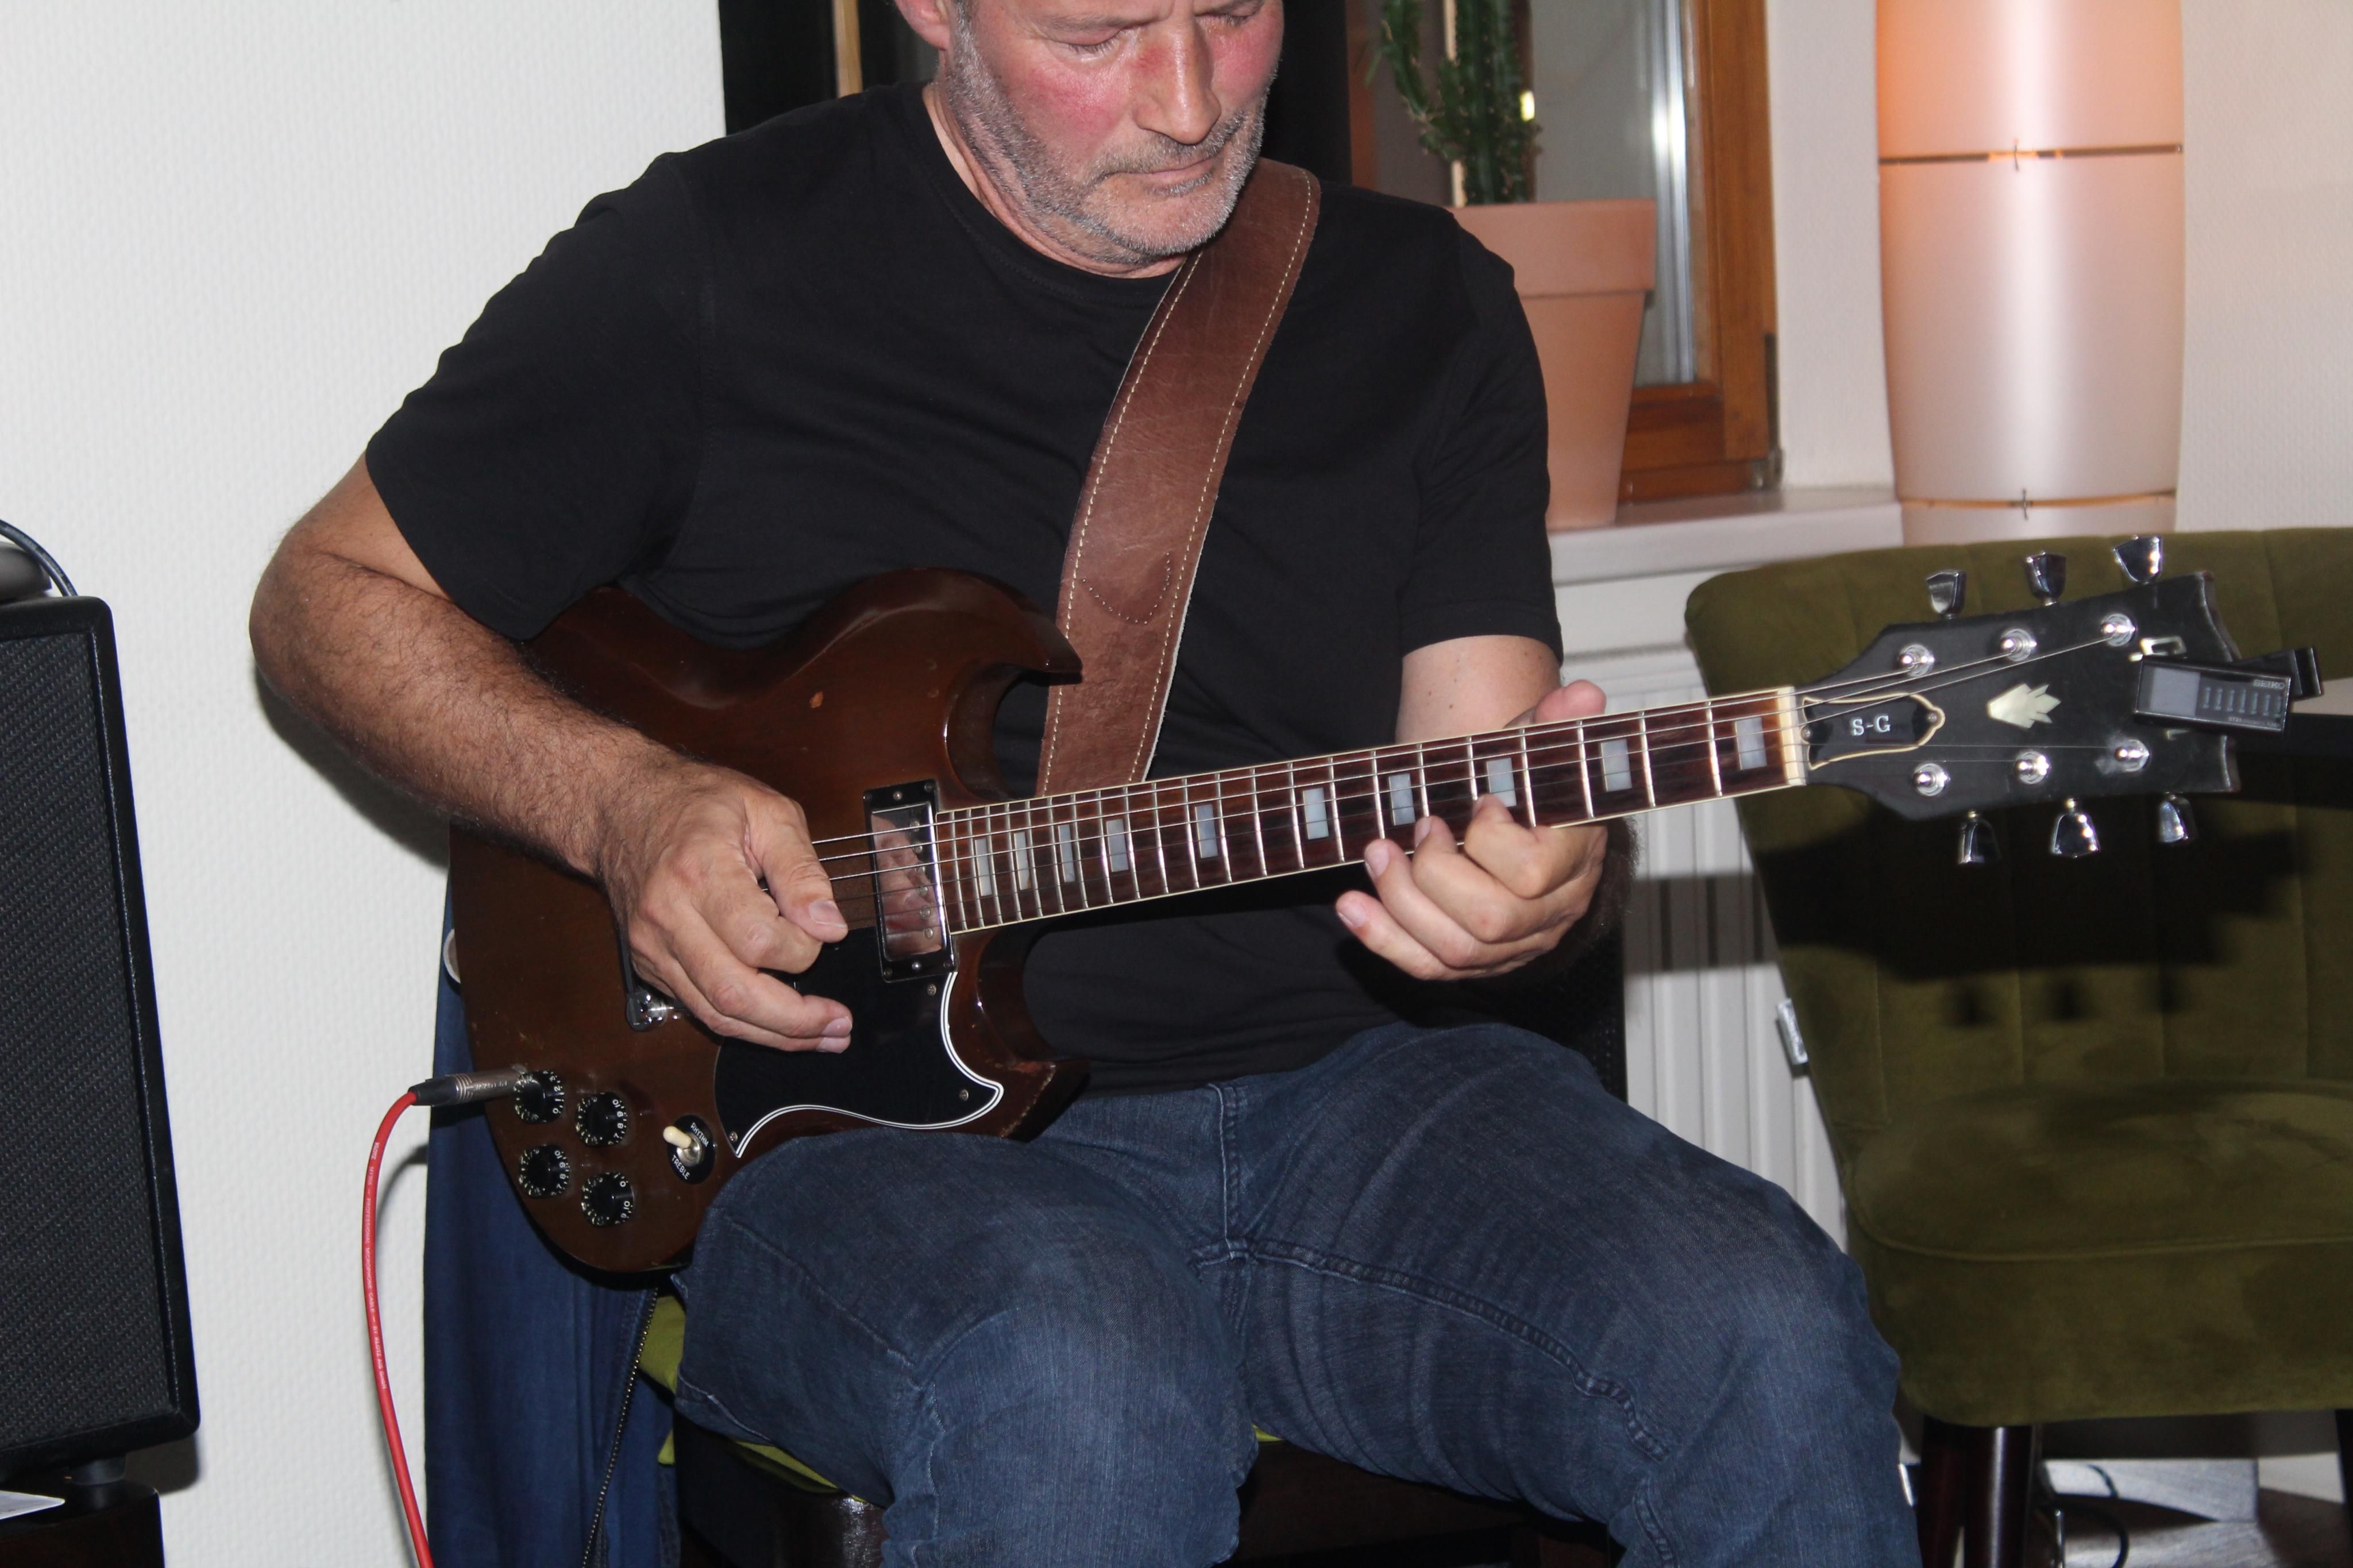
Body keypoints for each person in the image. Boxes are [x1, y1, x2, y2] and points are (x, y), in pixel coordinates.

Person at [250, 1, 1916, 1562]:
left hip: (1356, 1108)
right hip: (850, 1146)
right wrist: (621, 805)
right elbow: (325, 601)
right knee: (1079, 1364)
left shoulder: (1423, 306)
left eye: (1231, 13)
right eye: (1098, 34)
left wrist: (1538, 886)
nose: (1190, 103)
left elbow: (1480, 784)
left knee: (1759, 1324)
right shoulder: (709, 261)